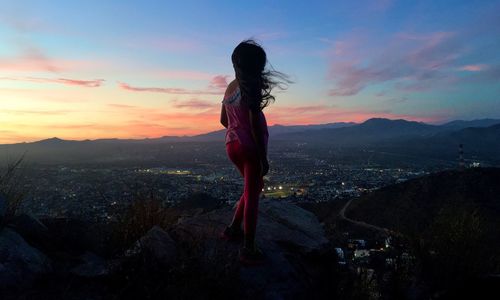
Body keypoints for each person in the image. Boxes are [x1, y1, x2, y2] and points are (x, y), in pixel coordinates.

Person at [219, 39, 289, 265]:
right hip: (249, 147)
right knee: (253, 195)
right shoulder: (251, 87)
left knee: (252, 188)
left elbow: (223, 119)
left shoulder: (230, 87)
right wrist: (262, 156)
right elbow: (256, 125)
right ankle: (248, 248)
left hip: (232, 145)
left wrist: (235, 131)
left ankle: (233, 230)